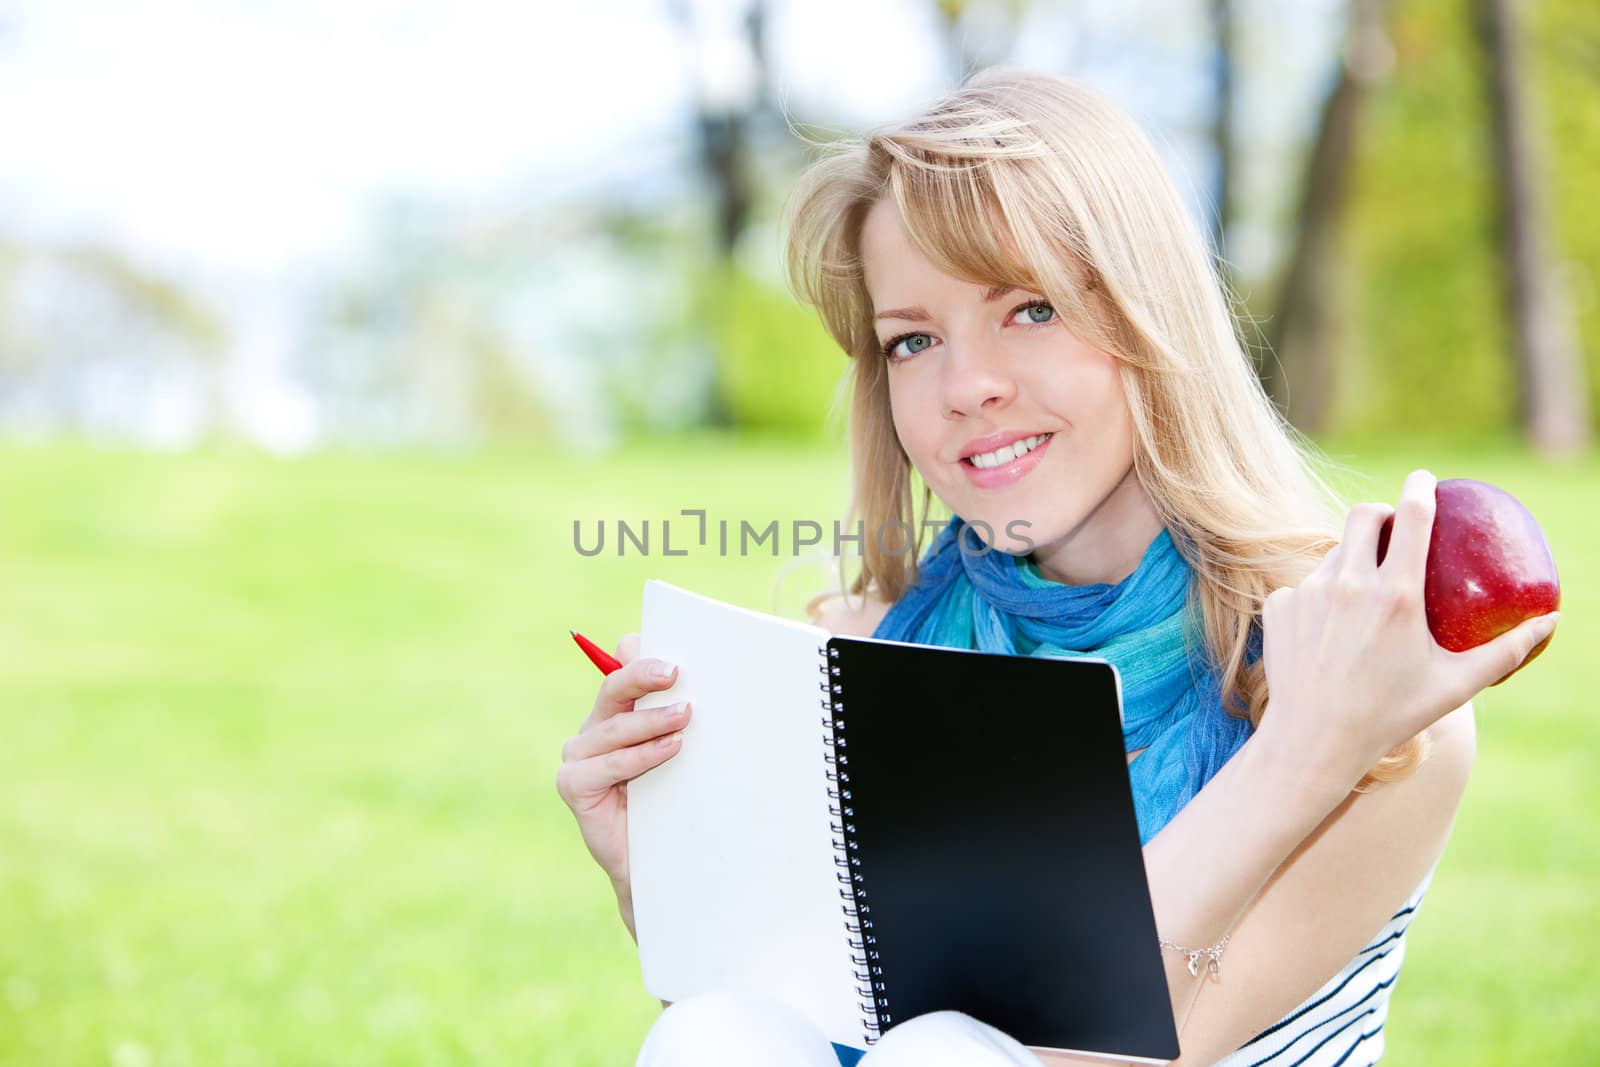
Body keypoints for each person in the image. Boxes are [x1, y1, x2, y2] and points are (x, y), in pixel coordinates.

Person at [554, 69, 1560, 1066]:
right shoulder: (869, 645)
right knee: (711, 1032)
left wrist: (1305, 749)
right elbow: (798, 1002)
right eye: (913, 339)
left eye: (1030, 309)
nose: (966, 386)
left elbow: (1105, 1051)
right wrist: (655, 872)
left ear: (1146, 311)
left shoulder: (1353, 683)